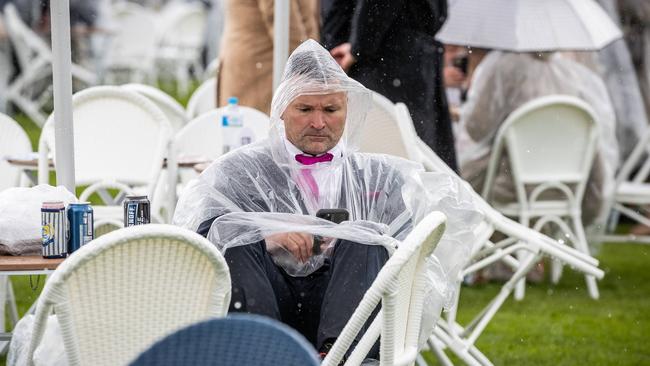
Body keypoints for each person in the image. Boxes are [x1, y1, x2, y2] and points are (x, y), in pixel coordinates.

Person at [174, 40, 480, 358]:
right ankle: (263, 352)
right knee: (234, 238)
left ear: (346, 109)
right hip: (267, 298)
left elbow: (409, 255)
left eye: (330, 110)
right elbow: (200, 242)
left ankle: (340, 357)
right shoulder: (241, 169)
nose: (319, 123)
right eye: (305, 109)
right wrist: (264, 234)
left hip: (351, 312)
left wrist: (348, 242)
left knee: (369, 236)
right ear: (281, 110)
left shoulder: (377, 175)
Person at [458, 51, 619, 226]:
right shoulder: (574, 74)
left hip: (511, 185)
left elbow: (477, 129)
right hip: (565, 186)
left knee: (459, 175)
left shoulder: (503, 67)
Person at [320, 0, 458, 171]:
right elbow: (437, 15)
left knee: (386, 163)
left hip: (387, 63)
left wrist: (359, 47)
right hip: (406, 59)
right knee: (409, 162)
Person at [217, 0, 318, 114]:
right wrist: (310, 68)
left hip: (253, 61)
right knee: (258, 126)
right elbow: (282, 18)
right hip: (262, 67)